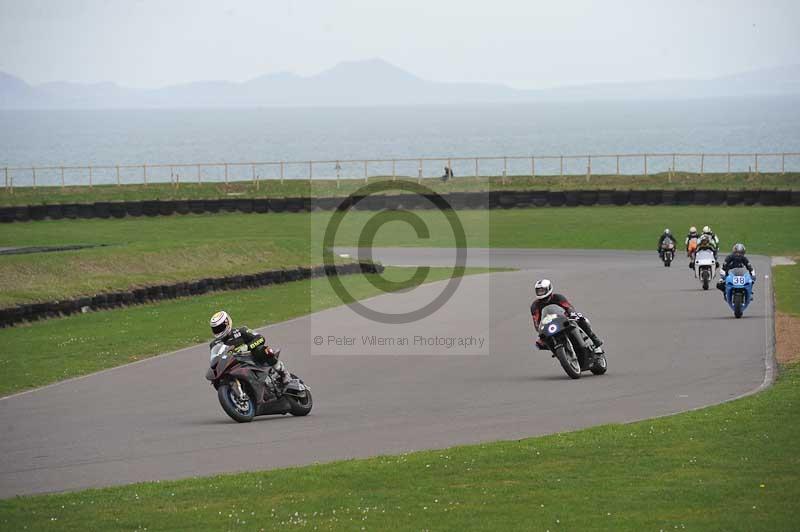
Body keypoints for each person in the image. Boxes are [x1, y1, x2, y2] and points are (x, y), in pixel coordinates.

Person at [209, 310, 291, 387]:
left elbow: (260, 338)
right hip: (234, 364)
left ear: (227, 323)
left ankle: (283, 373)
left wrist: (247, 347)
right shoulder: (214, 344)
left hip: (252, 359)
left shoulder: (241, 331)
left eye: (220, 328)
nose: (218, 331)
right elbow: (216, 358)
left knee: (262, 350)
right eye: (216, 329)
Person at [531, 279, 604, 355]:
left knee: (581, 319)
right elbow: (536, 321)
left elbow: (569, 307)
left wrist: (572, 314)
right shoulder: (535, 306)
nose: (540, 293)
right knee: (539, 343)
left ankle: (595, 340)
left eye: (542, 290)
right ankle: (558, 352)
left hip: (563, 320)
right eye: (538, 291)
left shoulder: (558, 297)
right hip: (550, 326)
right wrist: (539, 329)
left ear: (549, 289)